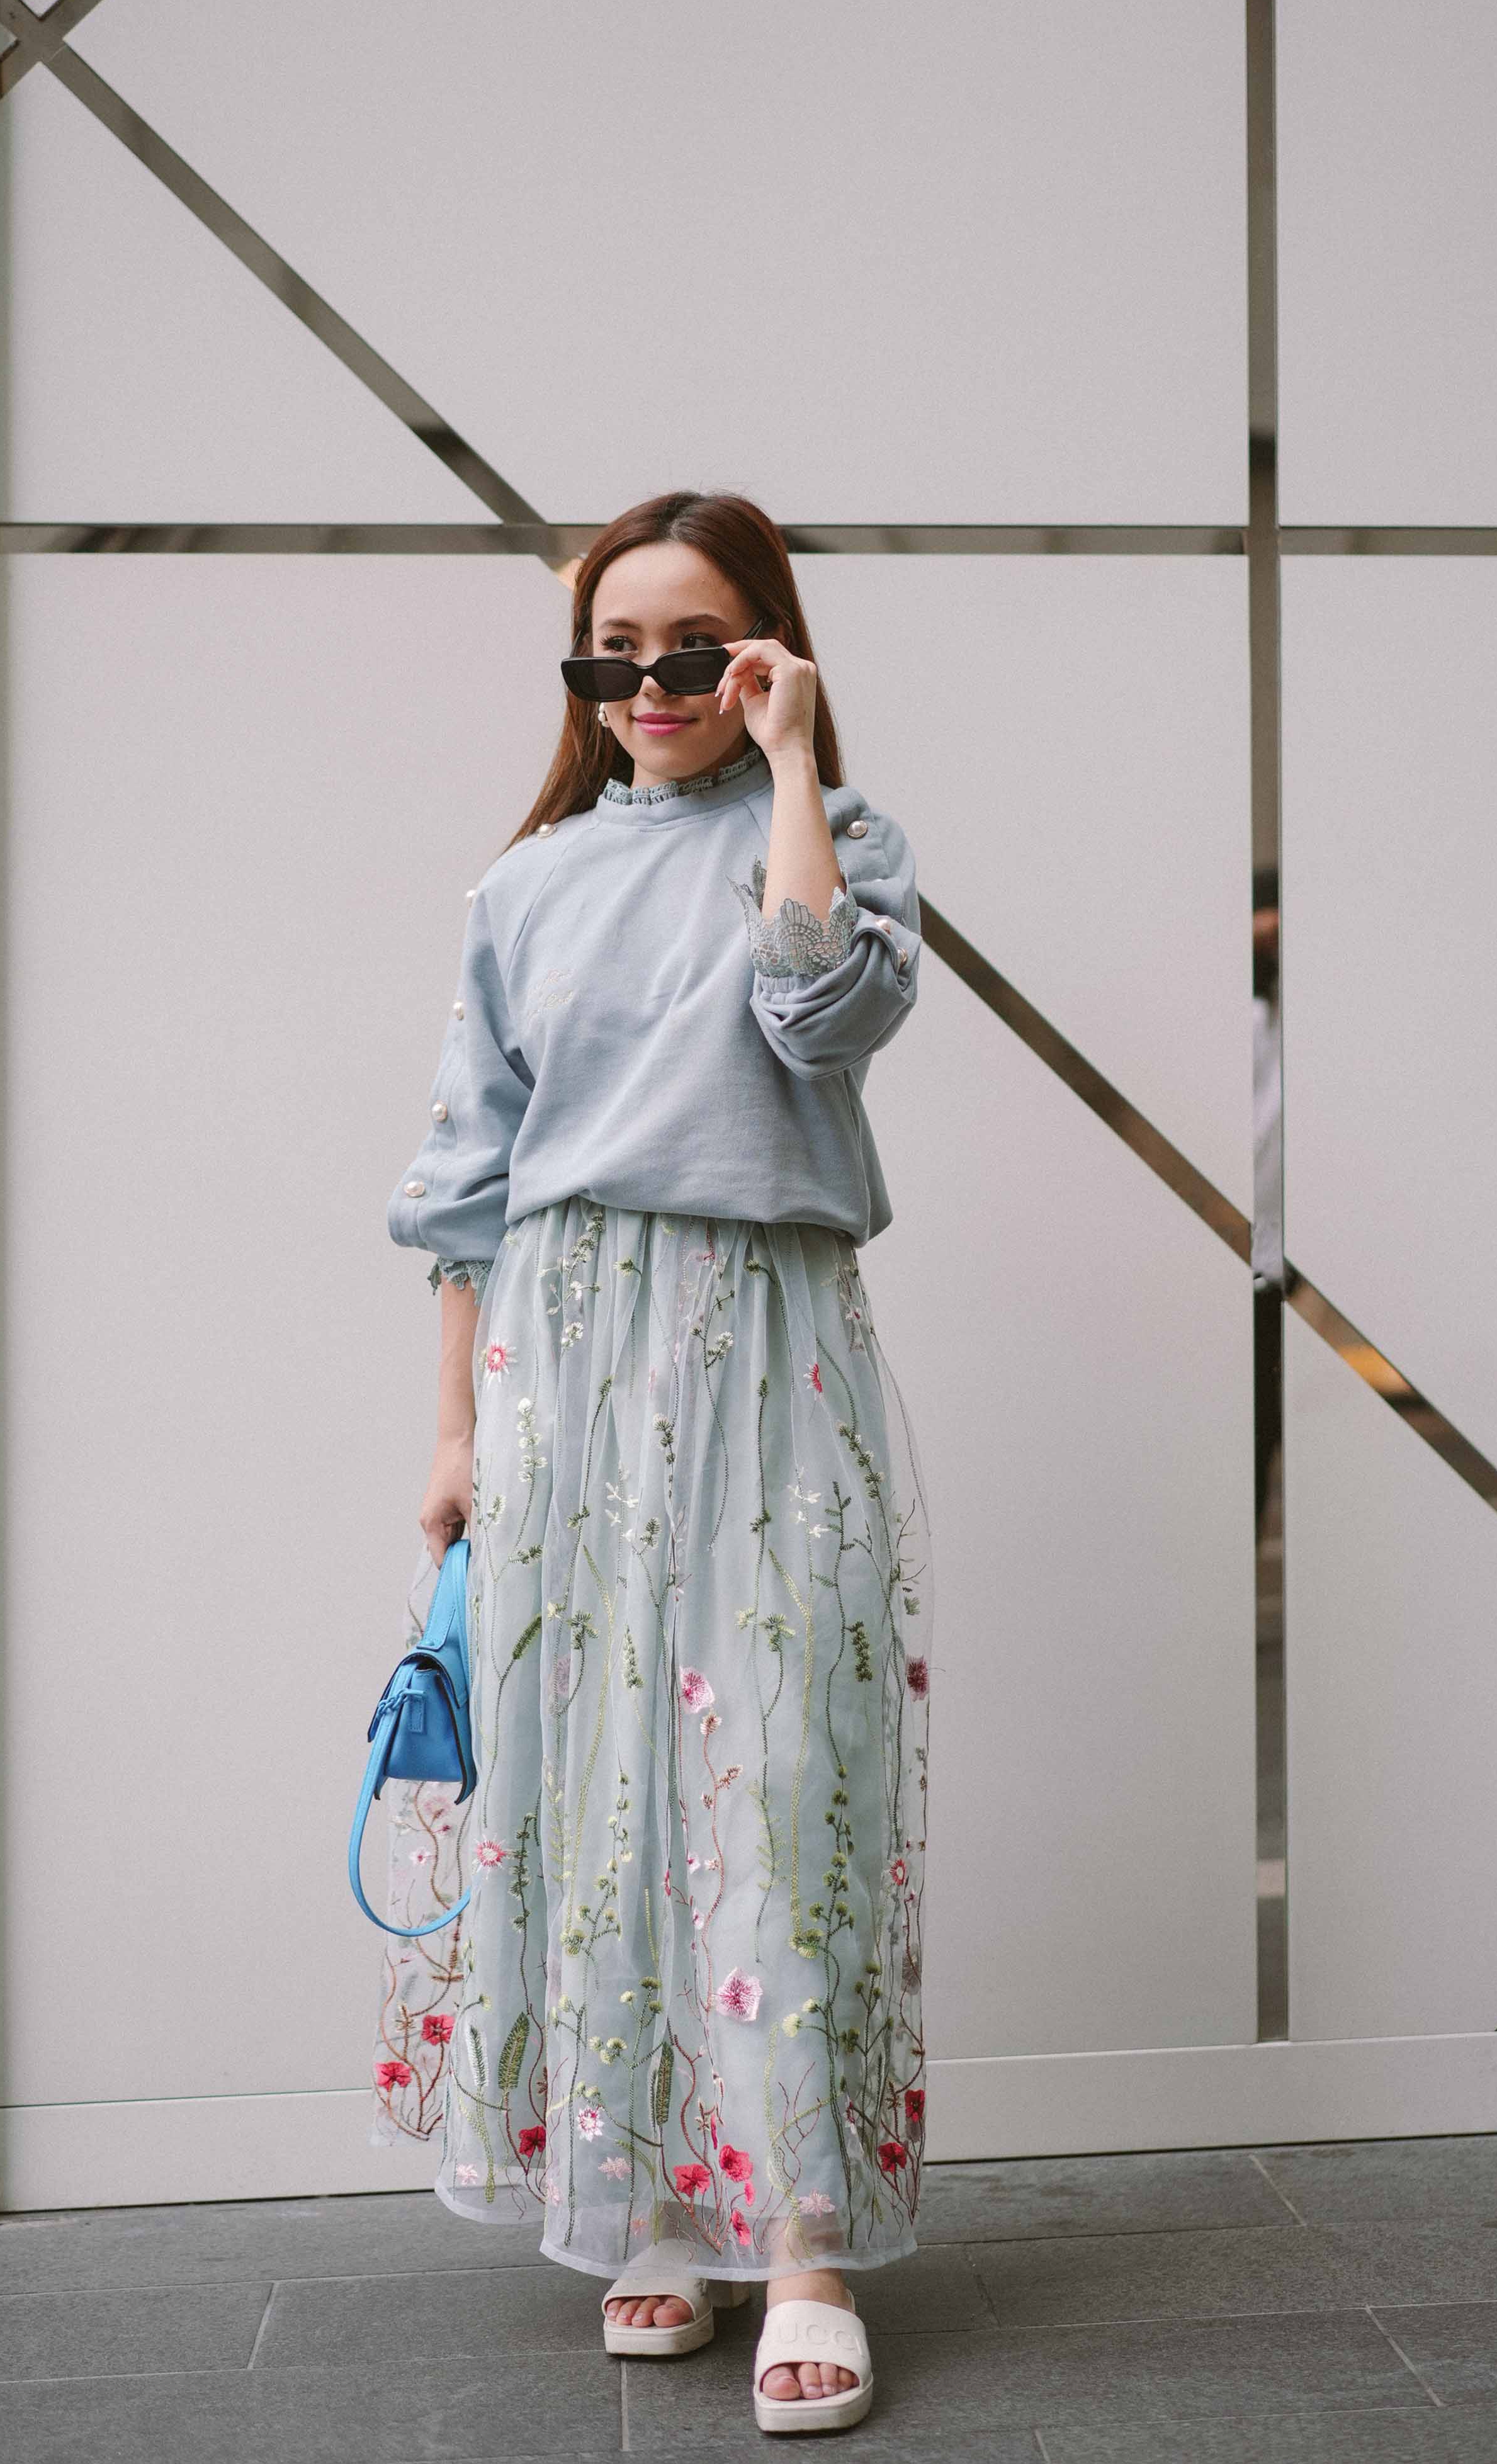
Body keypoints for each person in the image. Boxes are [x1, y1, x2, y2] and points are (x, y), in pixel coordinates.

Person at [371, 487, 934, 2434]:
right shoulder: (521, 888)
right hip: (562, 1354)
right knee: (595, 1783)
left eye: (691, 649)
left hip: (767, 1349)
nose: (648, 685)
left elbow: (814, 1010)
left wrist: (789, 763)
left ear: (762, 650)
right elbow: (460, 1187)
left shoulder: (836, 847)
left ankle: (801, 2241)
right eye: (611, 656)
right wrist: (454, 1433)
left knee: (774, 1778)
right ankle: (643, 2215)